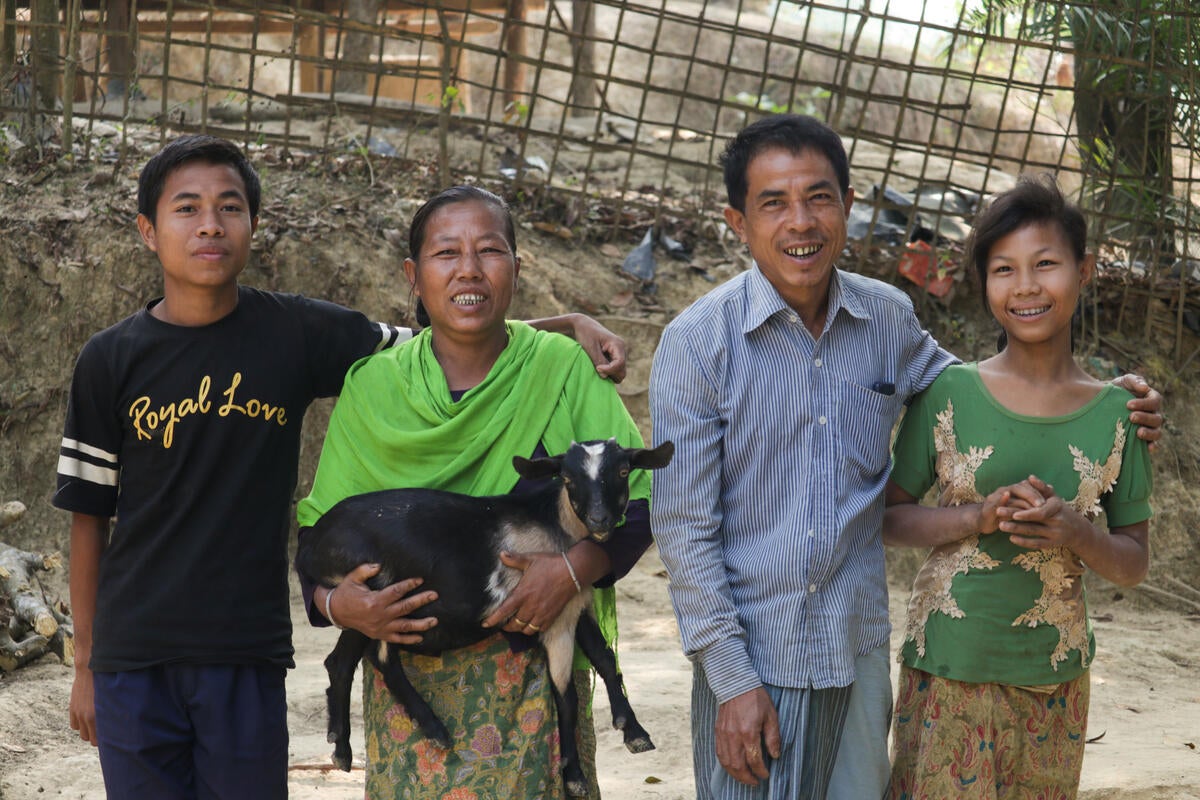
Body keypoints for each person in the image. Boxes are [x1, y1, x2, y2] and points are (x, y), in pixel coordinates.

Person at [51, 134, 628, 799]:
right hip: (134, 659)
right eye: (187, 208)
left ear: (254, 224)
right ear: (148, 231)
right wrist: (87, 664)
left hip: (245, 653)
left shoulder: (294, 333)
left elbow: (449, 329)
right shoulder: (109, 360)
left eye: (229, 206)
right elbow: (89, 518)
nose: (210, 223)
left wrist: (570, 323)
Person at [647, 114, 1163, 800]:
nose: (800, 221)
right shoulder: (696, 345)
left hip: (856, 646)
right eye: (773, 203)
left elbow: (989, 391)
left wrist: (1113, 401)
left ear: (850, 205)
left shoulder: (886, 319)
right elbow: (684, 532)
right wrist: (731, 682)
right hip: (754, 654)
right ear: (737, 221)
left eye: (819, 197)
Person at [294, 185, 654, 799]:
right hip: (408, 681)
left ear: (517, 266)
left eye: (489, 250)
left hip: (538, 671)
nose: (468, 269)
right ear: (414, 274)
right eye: (445, 253)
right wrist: (336, 607)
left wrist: (574, 566)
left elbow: (639, 501)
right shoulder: (375, 388)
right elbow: (322, 534)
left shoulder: (562, 370)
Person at [883, 176, 1152, 798]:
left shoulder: (1122, 414)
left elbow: (1134, 562)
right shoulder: (949, 393)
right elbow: (889, 518)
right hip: (945, 672)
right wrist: (974, 517)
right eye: (1004, 268)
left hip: (1054, 684)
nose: (1026, 286)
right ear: (985, 284)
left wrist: (1076, 533)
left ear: (1084, 272)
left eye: (1046, 264)